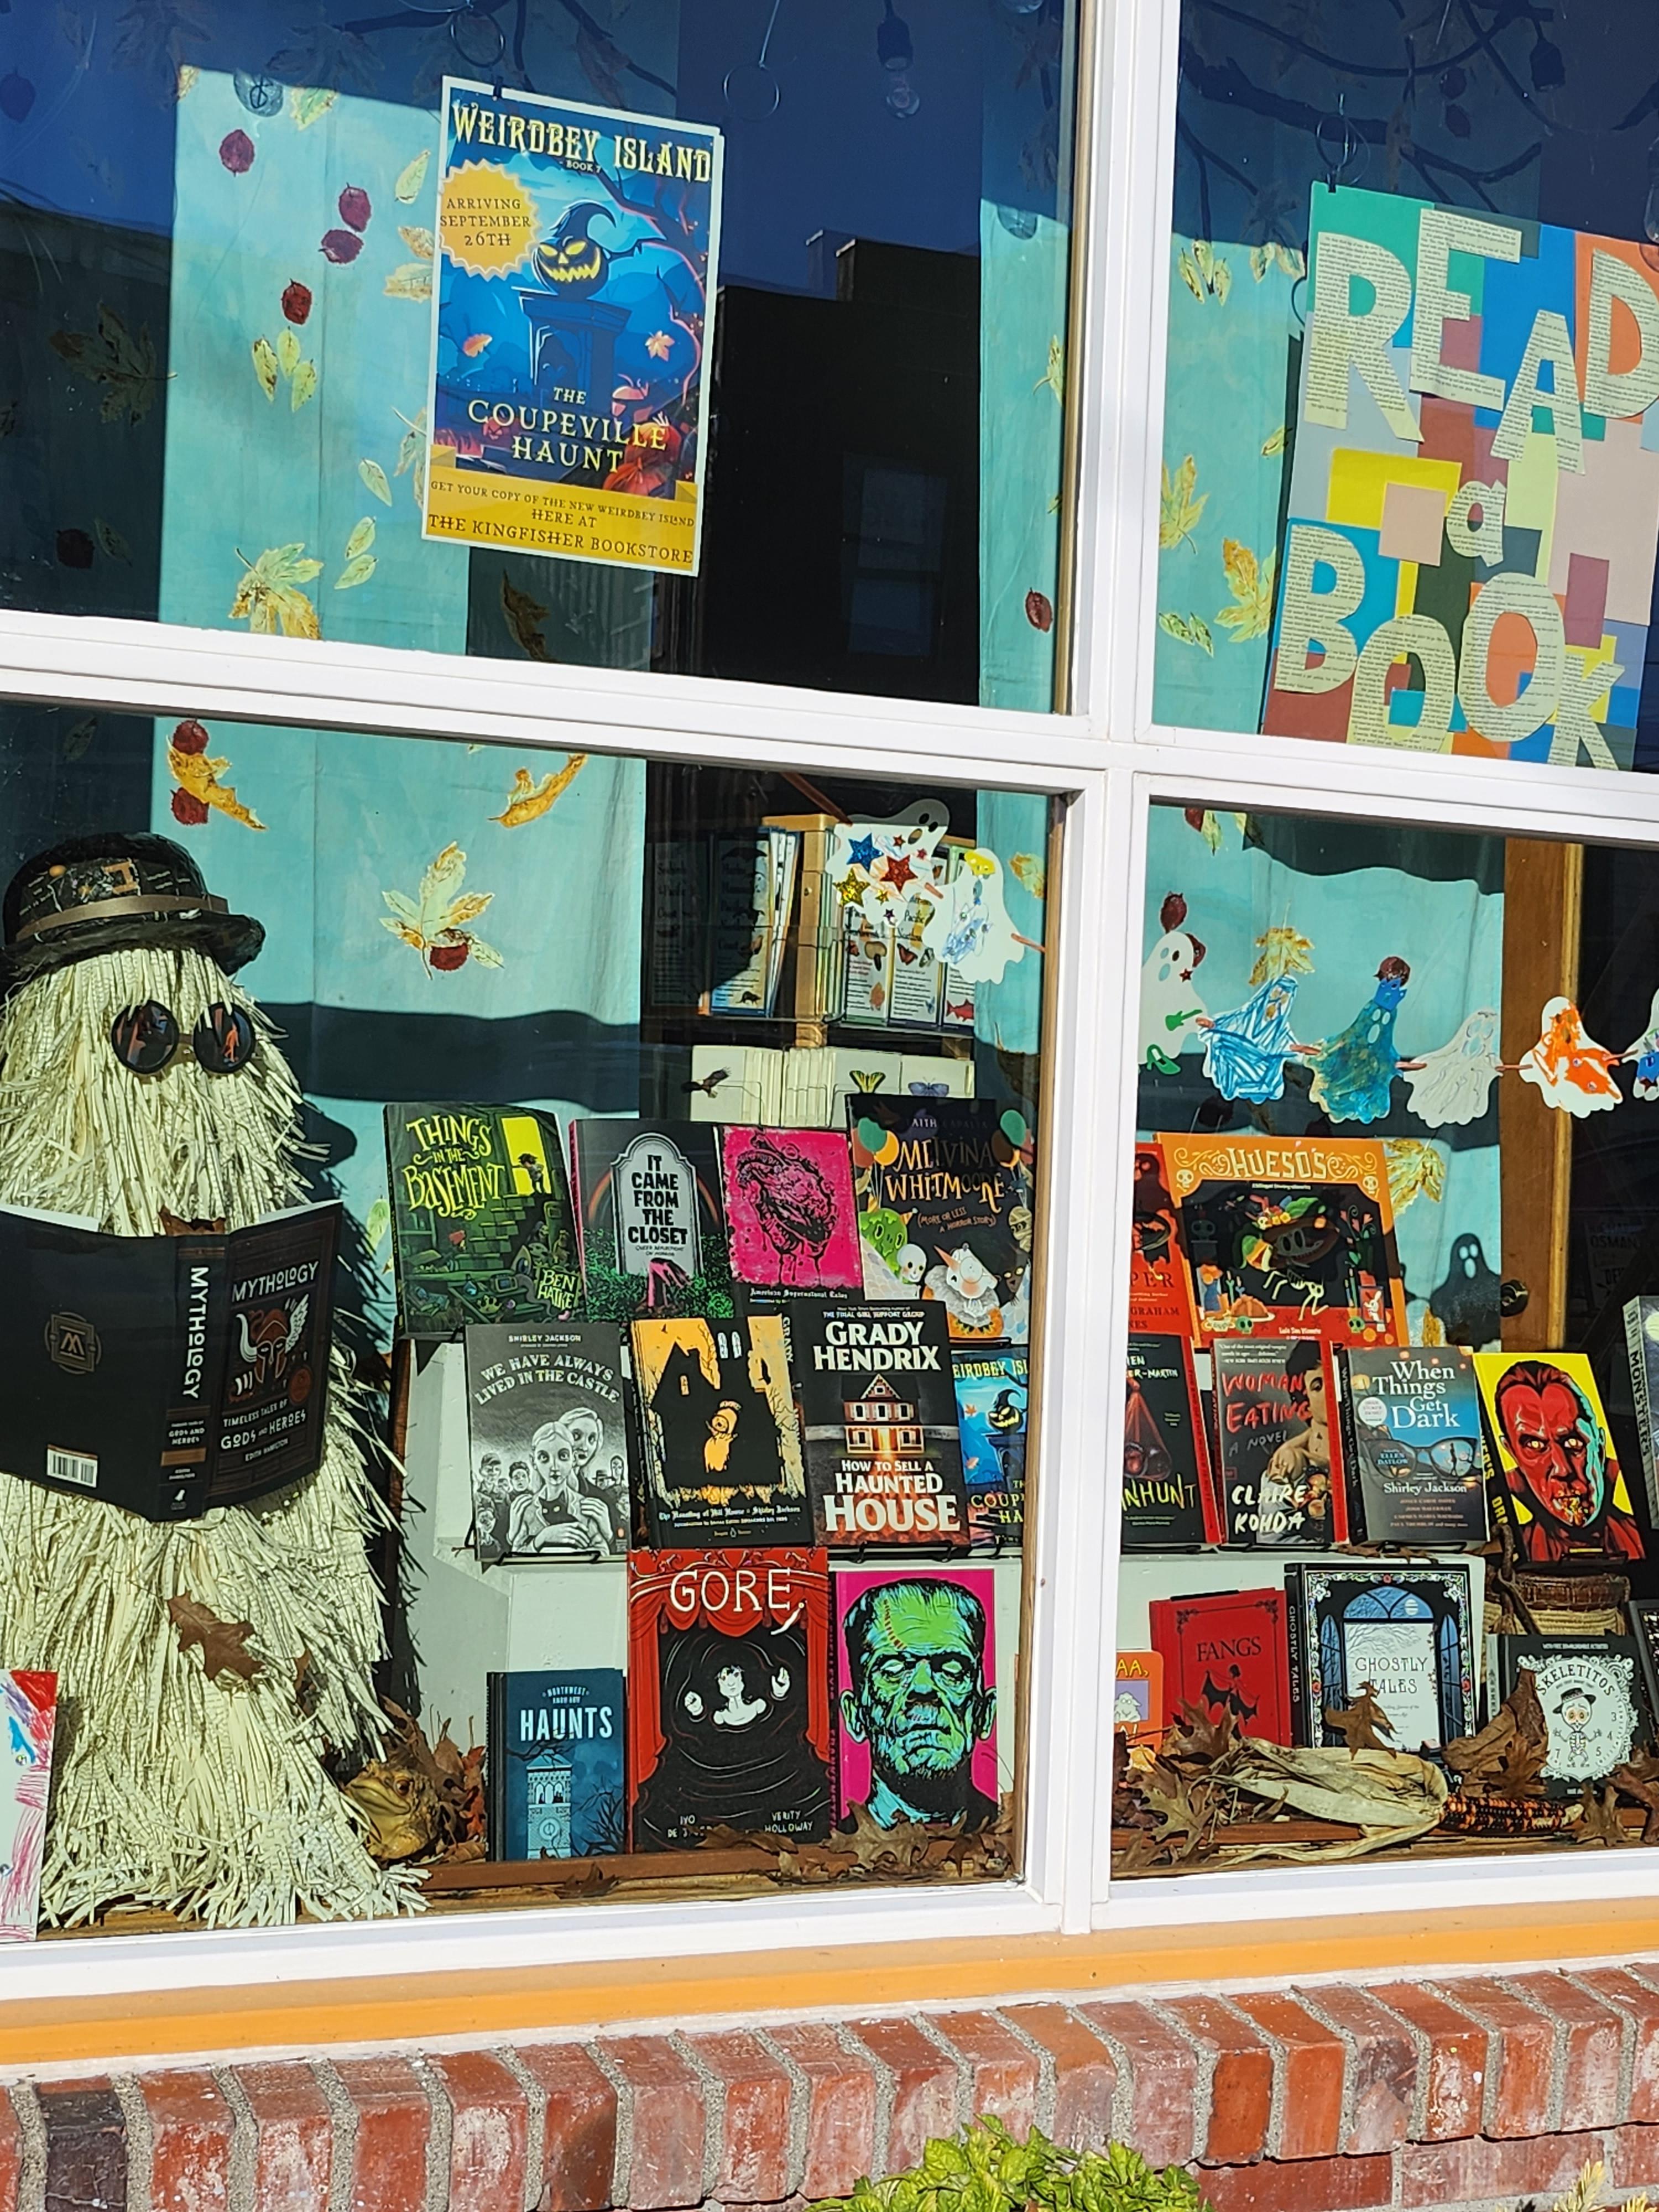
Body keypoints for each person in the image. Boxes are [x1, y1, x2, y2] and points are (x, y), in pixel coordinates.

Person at [838, 1579, 997, 1829]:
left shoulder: (1016, 1832)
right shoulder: (828, 1845)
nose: (923, 1688)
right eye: (893, 1670)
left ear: (985, 1713)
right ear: (855, 1715)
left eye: (952, 1670)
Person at [1491, 1359, 1643, 1562]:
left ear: (1599, 1446)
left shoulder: (1640, 1532)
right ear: (1513, 1453)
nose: (1562, 1469)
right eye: (1534, 1445)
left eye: (1573, 1442)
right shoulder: (1513, 1546)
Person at [507, 1422, 614, 1554]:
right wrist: (542, 1538)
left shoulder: (583, 1507)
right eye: (544, 1458)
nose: (554, 1467)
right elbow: (516, 1554)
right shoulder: (529, 1509)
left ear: (574, 1459)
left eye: (563, 1456)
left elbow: (602, 1552)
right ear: (534, 1461)